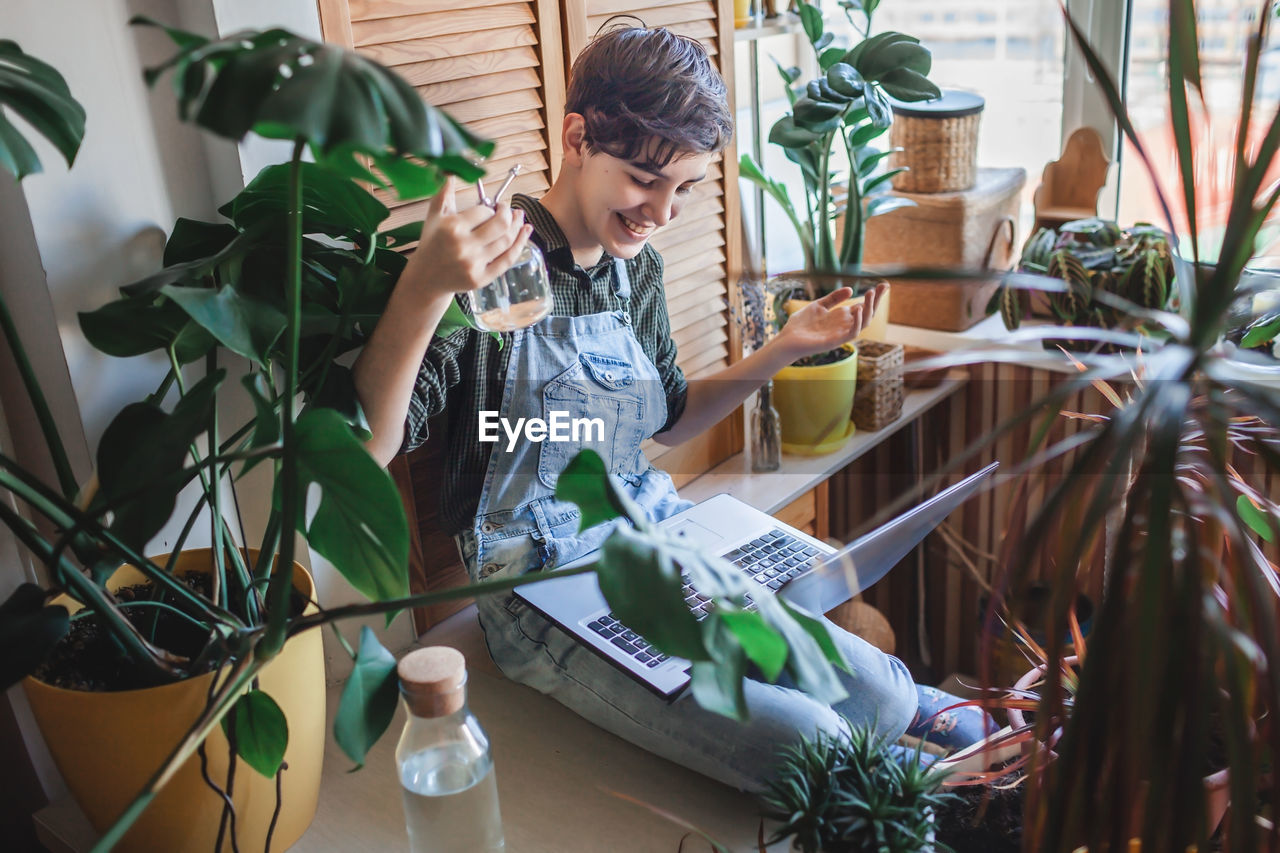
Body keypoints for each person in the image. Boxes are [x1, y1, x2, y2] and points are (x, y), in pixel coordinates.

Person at [353, 24, 990, 792]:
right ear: (578, 137)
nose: (661, 209)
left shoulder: (637, 270)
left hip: (653, 542)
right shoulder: (490, 268)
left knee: (885, 689)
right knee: (820, 747)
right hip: (536, 587)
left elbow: (673, 419)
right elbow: (370, 449)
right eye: (644, 179)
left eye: (684, 187)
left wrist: (786, 345)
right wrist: (426, 286)